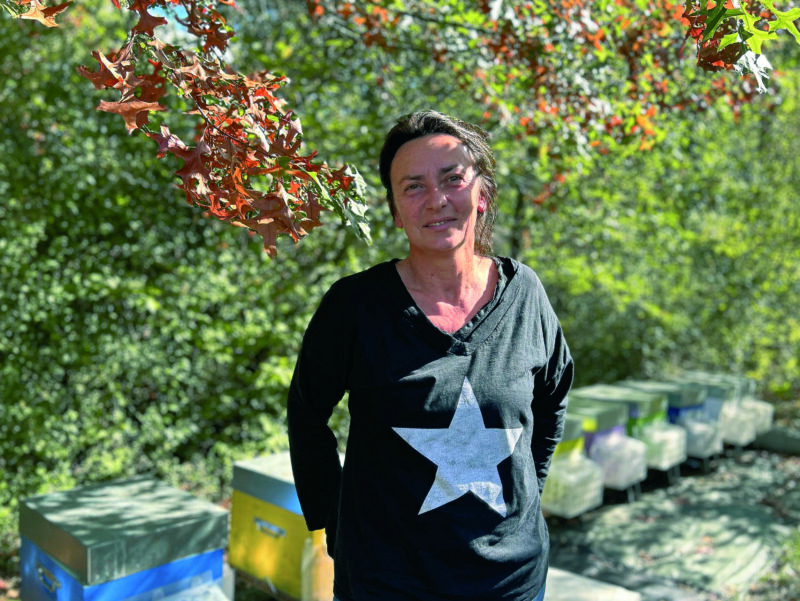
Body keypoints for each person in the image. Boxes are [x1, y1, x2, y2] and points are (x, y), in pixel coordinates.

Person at [287, 110, 573, 601]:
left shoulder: (525, 293)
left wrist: (528, 490)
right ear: (396, 212)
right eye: (413, 186)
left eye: (452, 178)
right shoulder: (355, 306)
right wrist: (336, 521)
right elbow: (306, 413)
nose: (437, 199)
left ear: (481, 194)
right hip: (386, 582)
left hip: (511, 582)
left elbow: (553, 397)